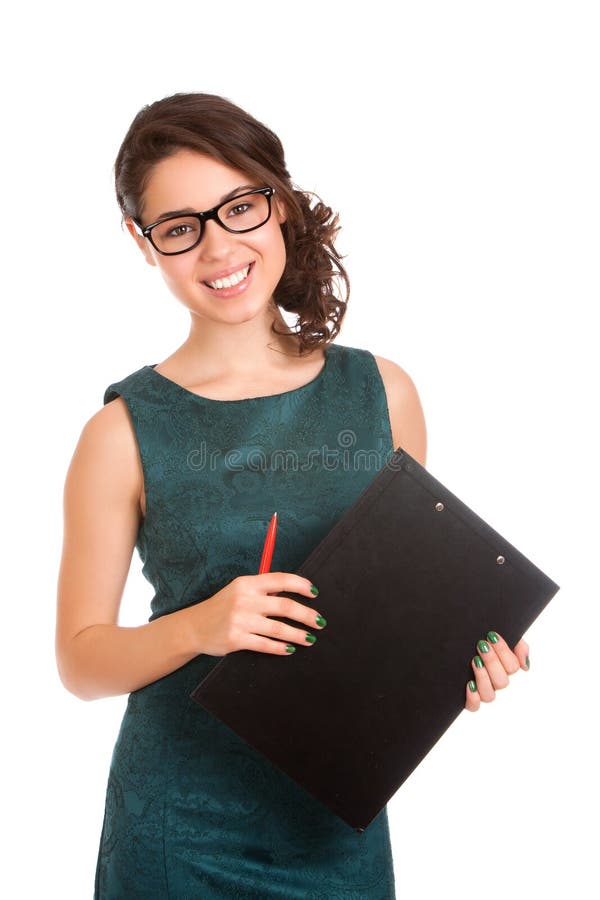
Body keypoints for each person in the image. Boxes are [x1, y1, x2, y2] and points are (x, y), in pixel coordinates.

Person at [55, 92, 531, 899]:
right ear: (145, 245)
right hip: (174, 831)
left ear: (278, 202)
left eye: (238, 207)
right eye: (180, 227)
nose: (218, 248)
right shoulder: (121, 431)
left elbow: (408, 608)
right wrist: (203, 624)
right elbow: (80, 661)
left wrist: (467, 662)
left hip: (335, 826)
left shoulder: (385, 394)